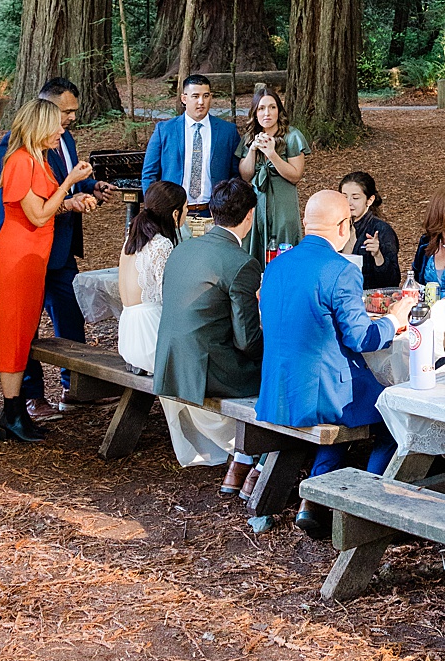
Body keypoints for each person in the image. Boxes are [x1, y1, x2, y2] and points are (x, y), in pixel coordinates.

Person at [256, 188, 417, 526]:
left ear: (305, 223)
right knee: (393, 412)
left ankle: (312, 500)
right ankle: (366, 503)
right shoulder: (340, 269)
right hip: (320, 391)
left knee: (352, 405)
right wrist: (396, 318)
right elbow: (363, 339)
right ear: (345, 227)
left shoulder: (275, 265)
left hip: (278, 387)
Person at [0, 75, 102, 420]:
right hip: (21, 251)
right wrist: (69, 188)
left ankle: (72, 389)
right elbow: (36, 212)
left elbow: (54, 196)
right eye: (61, 117)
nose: (65, 127)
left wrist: (83, 190)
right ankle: (22, 404)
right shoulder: (19, 155)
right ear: (43, 117)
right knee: (19, 328)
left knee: (60, 316)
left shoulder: (50, 148)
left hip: (50, 248)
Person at [155, 176, 264, 487]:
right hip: (210, 370)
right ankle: (256, 458)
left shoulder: (183, 249)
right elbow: (247, 342)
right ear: (250, 215)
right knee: (283, 372)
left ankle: (242, 462)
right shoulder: (242, 263)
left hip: (171, 361)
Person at [87, 179, 185, 374]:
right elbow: (169, 299)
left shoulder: (131, 240)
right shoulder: (162, 245)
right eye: (186, 209)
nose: (188, 213)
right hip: (150, 338)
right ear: (175, 214)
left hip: (128, 336)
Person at [140, 73, 242, 221]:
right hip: (172, 213)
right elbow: (149, 174)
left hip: (214, 214)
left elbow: (236, 175)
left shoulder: (228, 132)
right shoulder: (165, 130)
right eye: (195, 96)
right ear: (184, 98)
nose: (201, 102)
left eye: (206, 96)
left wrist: (229, 207)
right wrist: (154, 210)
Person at [238, 87, 308, 262]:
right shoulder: (249, 137)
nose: (267, 113)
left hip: (283, 204)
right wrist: (253, 150)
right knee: (256, 242)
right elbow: (246, 176)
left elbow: (295, 175)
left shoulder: (292, 136)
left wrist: (272, 154)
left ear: (279, 110)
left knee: (284, 249)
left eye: (272, 107)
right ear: (255, 113)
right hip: (257, 203)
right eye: (261, 108)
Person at [340, 171, 401, 287]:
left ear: (370, 200)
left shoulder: (381, 230)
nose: (349, 203)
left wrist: (378, 256)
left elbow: (393, 281)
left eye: (355, 197)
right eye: (344, 197)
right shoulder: (334, 227)